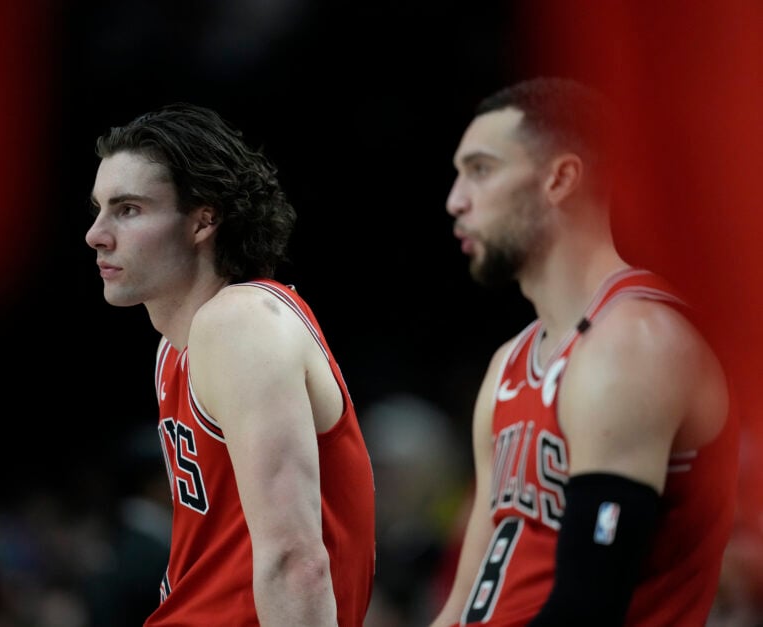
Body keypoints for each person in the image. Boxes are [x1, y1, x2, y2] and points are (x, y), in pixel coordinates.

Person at [429, 77, 740, 627]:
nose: (455, 199)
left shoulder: (637, 343)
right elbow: (463, 601)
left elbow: (587, 607)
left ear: (560, 178)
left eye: (480, 169)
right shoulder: (509, 363)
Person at [85, 102, 376, 626]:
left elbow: (295, 561)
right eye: (99, 208)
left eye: (128, 209)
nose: (97, 234)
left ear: (203, 220)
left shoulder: (240, 323)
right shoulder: (176, 347)